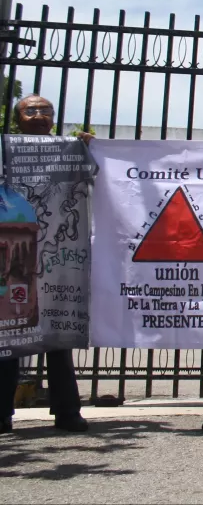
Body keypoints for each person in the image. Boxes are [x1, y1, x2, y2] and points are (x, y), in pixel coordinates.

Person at [0, 95, 90, 434]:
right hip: (12, 253)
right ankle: (2, 412)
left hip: (58, 256)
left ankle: (68, 411)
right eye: (31, 110)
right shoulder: (4, 149)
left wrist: (88, 147)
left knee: (59, 337)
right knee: (8, 337)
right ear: (17, 117)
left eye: (46, 111)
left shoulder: (69, 150)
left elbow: (100, 175)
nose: (39, 115)